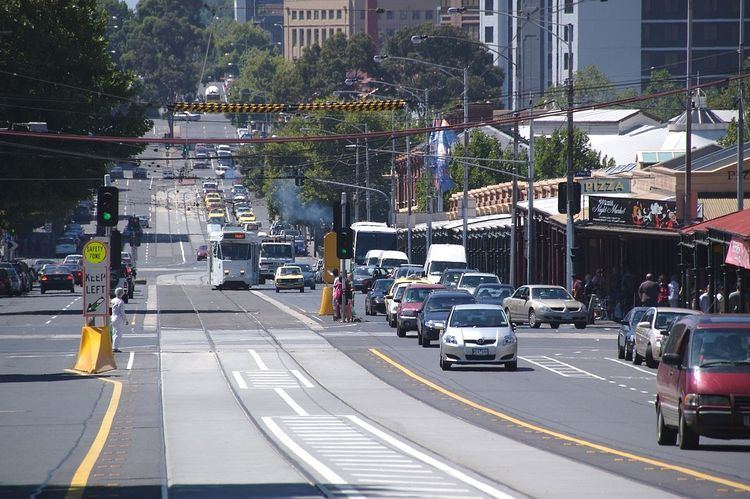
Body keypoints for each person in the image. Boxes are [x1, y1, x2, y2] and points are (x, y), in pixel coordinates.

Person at [110, 287, 129, 353]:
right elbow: (122, 312)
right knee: (118, 333)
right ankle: (115, 348)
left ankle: (113, 346)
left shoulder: (113, 300)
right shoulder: (121, 302)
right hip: (118, 319)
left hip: (112, 317)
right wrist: (125, 320)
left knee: (114, 332)